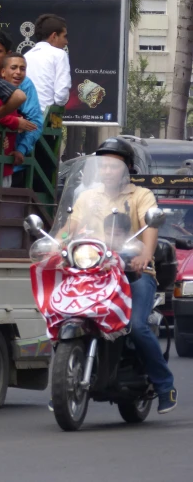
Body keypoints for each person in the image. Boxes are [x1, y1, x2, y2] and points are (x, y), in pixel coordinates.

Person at [72, 137, 176, 414]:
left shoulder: (141, 196)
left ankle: (165, 386)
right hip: (94, 271)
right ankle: (67, 380)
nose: (107, 171)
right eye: (103, 166)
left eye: (113, 166)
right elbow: (69, 230)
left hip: (133, 270)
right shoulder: (87, 197)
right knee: (66, 315)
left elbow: (150, 226)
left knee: (136, 326)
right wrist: (55, 247)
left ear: (128, 168)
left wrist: (145, 255)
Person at [0, 54, 37, 187]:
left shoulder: (17, 94)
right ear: (3, 72)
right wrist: (17, 122)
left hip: (5, 165)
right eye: (13, 68)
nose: (18, 72)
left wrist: (18, 149)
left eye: (22, 69)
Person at [24, 14, 71, 117]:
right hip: (46, 120)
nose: (66, 42)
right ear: (54, 36)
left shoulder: (25, 56)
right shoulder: (60, 54)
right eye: (64, 36)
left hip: (24, 118)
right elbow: (61, 96)